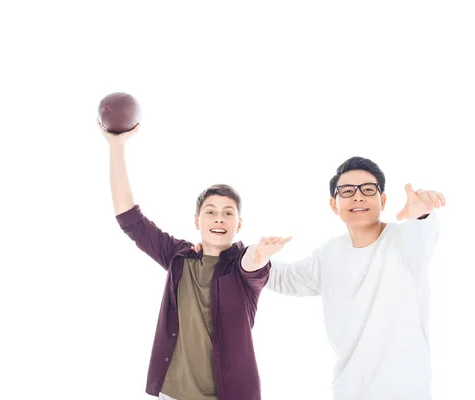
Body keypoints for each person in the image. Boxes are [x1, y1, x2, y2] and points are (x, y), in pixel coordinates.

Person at [99, 122, 290, 400]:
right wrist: (116, 147)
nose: (219, 219)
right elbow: (129, 219)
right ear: (196, 220)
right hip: (172, 393)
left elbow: (252, 264)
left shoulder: (242, 267)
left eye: (228, 213)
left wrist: (260, 253)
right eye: (210, 212)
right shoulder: (179, 257)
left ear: (239, 224)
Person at [265, 156, 446, 400]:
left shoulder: (405, 241)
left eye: (368, 190)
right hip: (348, 391)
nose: (358, 196)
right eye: (347, 191)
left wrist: (421, 214)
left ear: (382, 200)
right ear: (333, 204)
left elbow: (422, 234)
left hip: (406, 391)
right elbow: (283, 278)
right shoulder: (328, 254)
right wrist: (243, 255)